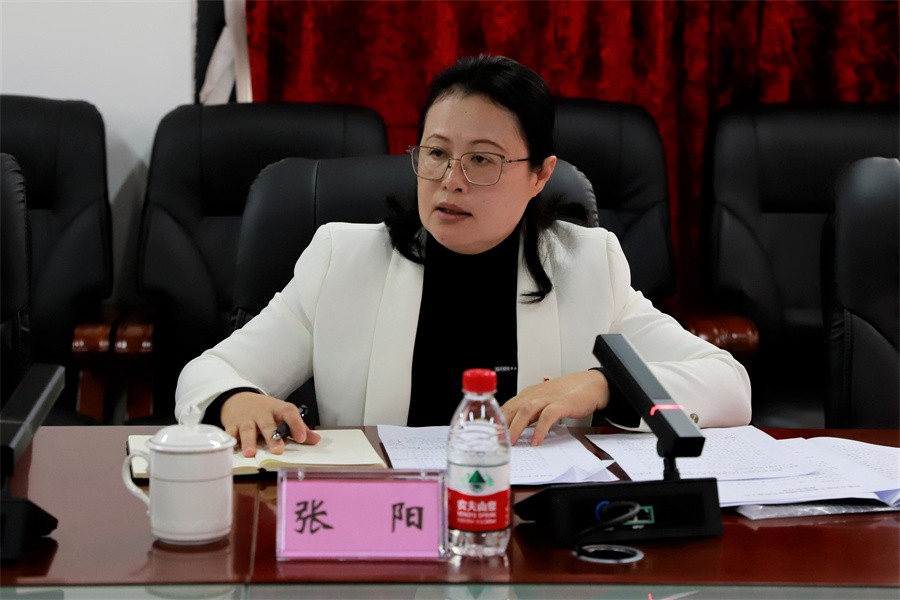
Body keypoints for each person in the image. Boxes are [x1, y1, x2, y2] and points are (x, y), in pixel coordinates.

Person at [175, 55, 751, 457]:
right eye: (436, 153)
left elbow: (728, 384)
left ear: (540, 175)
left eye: (482, 159)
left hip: (526, 532)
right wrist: (236, 399)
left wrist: (602, 385)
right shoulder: (342, 260)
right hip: (383, 525)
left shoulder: (587, 265)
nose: (450, 179)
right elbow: (208, 373)